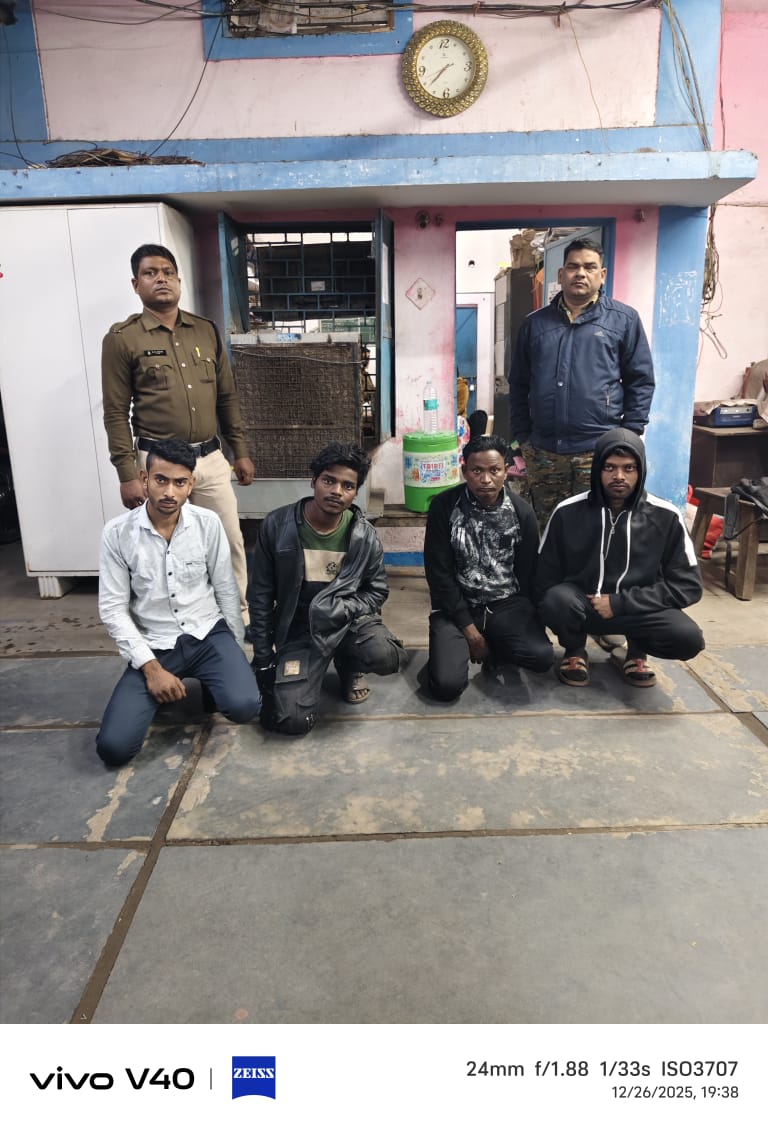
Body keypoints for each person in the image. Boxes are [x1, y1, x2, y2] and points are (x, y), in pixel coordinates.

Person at [101, 243, 254, 613]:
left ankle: (237, 618)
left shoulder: (205, 331)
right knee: (163, 546)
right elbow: (115, 412)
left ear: (179, 281)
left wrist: (241, 451)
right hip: (159, 465)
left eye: (168, 272)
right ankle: (171, 620)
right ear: (136, 284)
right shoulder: (123, 339)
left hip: (210, 459)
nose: (162, 279)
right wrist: (127, 473)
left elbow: (226, 397)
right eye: (151, 273)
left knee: (228, 540)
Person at [96, 439, 261, 767]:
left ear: (191, 484)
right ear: (144, 479)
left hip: (207, 632)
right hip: (154, 644)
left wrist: (235, 649)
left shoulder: (207, 523)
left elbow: (226, 589)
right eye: (161, 480)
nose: (170, 491)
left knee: (244, 706)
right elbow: (113, 609)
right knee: (113, 749)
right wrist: (150, 668)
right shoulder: (117, 534)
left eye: (180, 482)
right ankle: (161, 688)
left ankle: (211, 681)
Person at [247, 441, 406, 735]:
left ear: (355, 492)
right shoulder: (278, 525)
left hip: (348, 622)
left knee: (387, 655)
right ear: (313, 481)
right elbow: (259, 596)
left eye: (348, 486)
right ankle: (311, 668)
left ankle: (350, 665)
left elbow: (377, 591)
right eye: (328, 481)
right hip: (299, 628)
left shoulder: (364, 535)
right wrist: (263, 657)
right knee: (291, 720)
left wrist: (343, 608)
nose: (336, 491)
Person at [537, 428, 705, 688]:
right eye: (610, 467)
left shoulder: (666, 516)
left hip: (636, 610)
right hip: (582, 605)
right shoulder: (567, 512)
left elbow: (688, 586)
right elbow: (544, 575)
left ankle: (637, 652)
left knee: (688, 638)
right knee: (555, 601)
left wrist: (620, 603)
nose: (619, 476)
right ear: (597, 469)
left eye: (629, 468)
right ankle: (575, 651)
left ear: (641, 470)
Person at [509, 237, 655, 528]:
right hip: (544, 452)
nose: (580, 273)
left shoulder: (623, 321)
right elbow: (519, 384)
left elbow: (641, 381)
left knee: (600, 527)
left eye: (590, 267)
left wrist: (628, 435)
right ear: (561, 274)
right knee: (548, 528)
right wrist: (523, 437)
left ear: (602, 275)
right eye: (573, 267)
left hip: (599, 451)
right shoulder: (535, 325)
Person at [423, 433, 554, 701]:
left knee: (541, 657)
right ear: (464, 472)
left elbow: (528, 572)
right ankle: (446, 653)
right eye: (477, 471)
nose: (485, 479)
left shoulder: (521, 512)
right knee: (446, 686)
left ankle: (497, 647)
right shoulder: (444, 507)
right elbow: (439, 573)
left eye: (494, 470)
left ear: (506, 471)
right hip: (455, 607)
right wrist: (471, 633)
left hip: (504, 605)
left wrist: (528, 619)